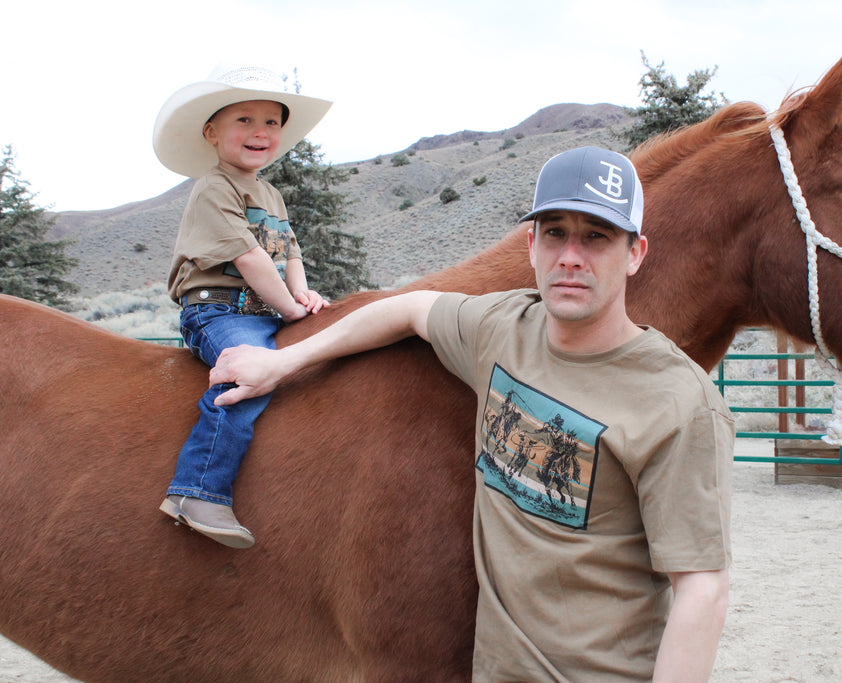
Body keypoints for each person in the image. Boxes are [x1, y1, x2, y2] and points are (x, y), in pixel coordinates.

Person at [211, 146, 734, 679]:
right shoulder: (503, 330)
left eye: (597, 236)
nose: (571, 257)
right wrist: (285, 361)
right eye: (555, 233)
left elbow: (701, 587)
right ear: (531, 246)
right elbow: (410, 310)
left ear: (635, 254)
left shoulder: (679, 402)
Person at [151, 64, 333, 548]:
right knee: (247, 374)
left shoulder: (270, 193)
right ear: (212, 133)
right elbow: (251, 259)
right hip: (219, 310)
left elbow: (288, 251)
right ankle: (199, 488)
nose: (261, 132)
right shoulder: (214, 187)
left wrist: (304, 296)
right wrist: (291, 312)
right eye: (245, 120)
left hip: (265, 306)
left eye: (272, 122)